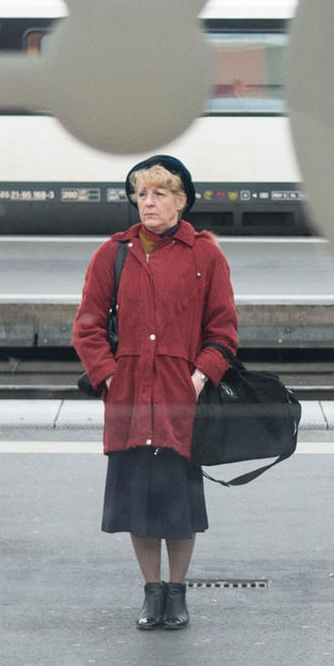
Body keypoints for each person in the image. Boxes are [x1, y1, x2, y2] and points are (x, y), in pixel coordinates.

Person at [72, 155, 238, 631]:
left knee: (177, 504)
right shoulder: (113, 252)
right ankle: (151, 592)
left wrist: (200, 378)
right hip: (128, 398)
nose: (147, 202)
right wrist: (107, 378)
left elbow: (223, 330)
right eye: (141, 194)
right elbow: (87, 325)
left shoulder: (205, 254)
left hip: (178, 397)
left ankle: (177, 593)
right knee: (138, 505)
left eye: (159, 193)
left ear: (181, 202)